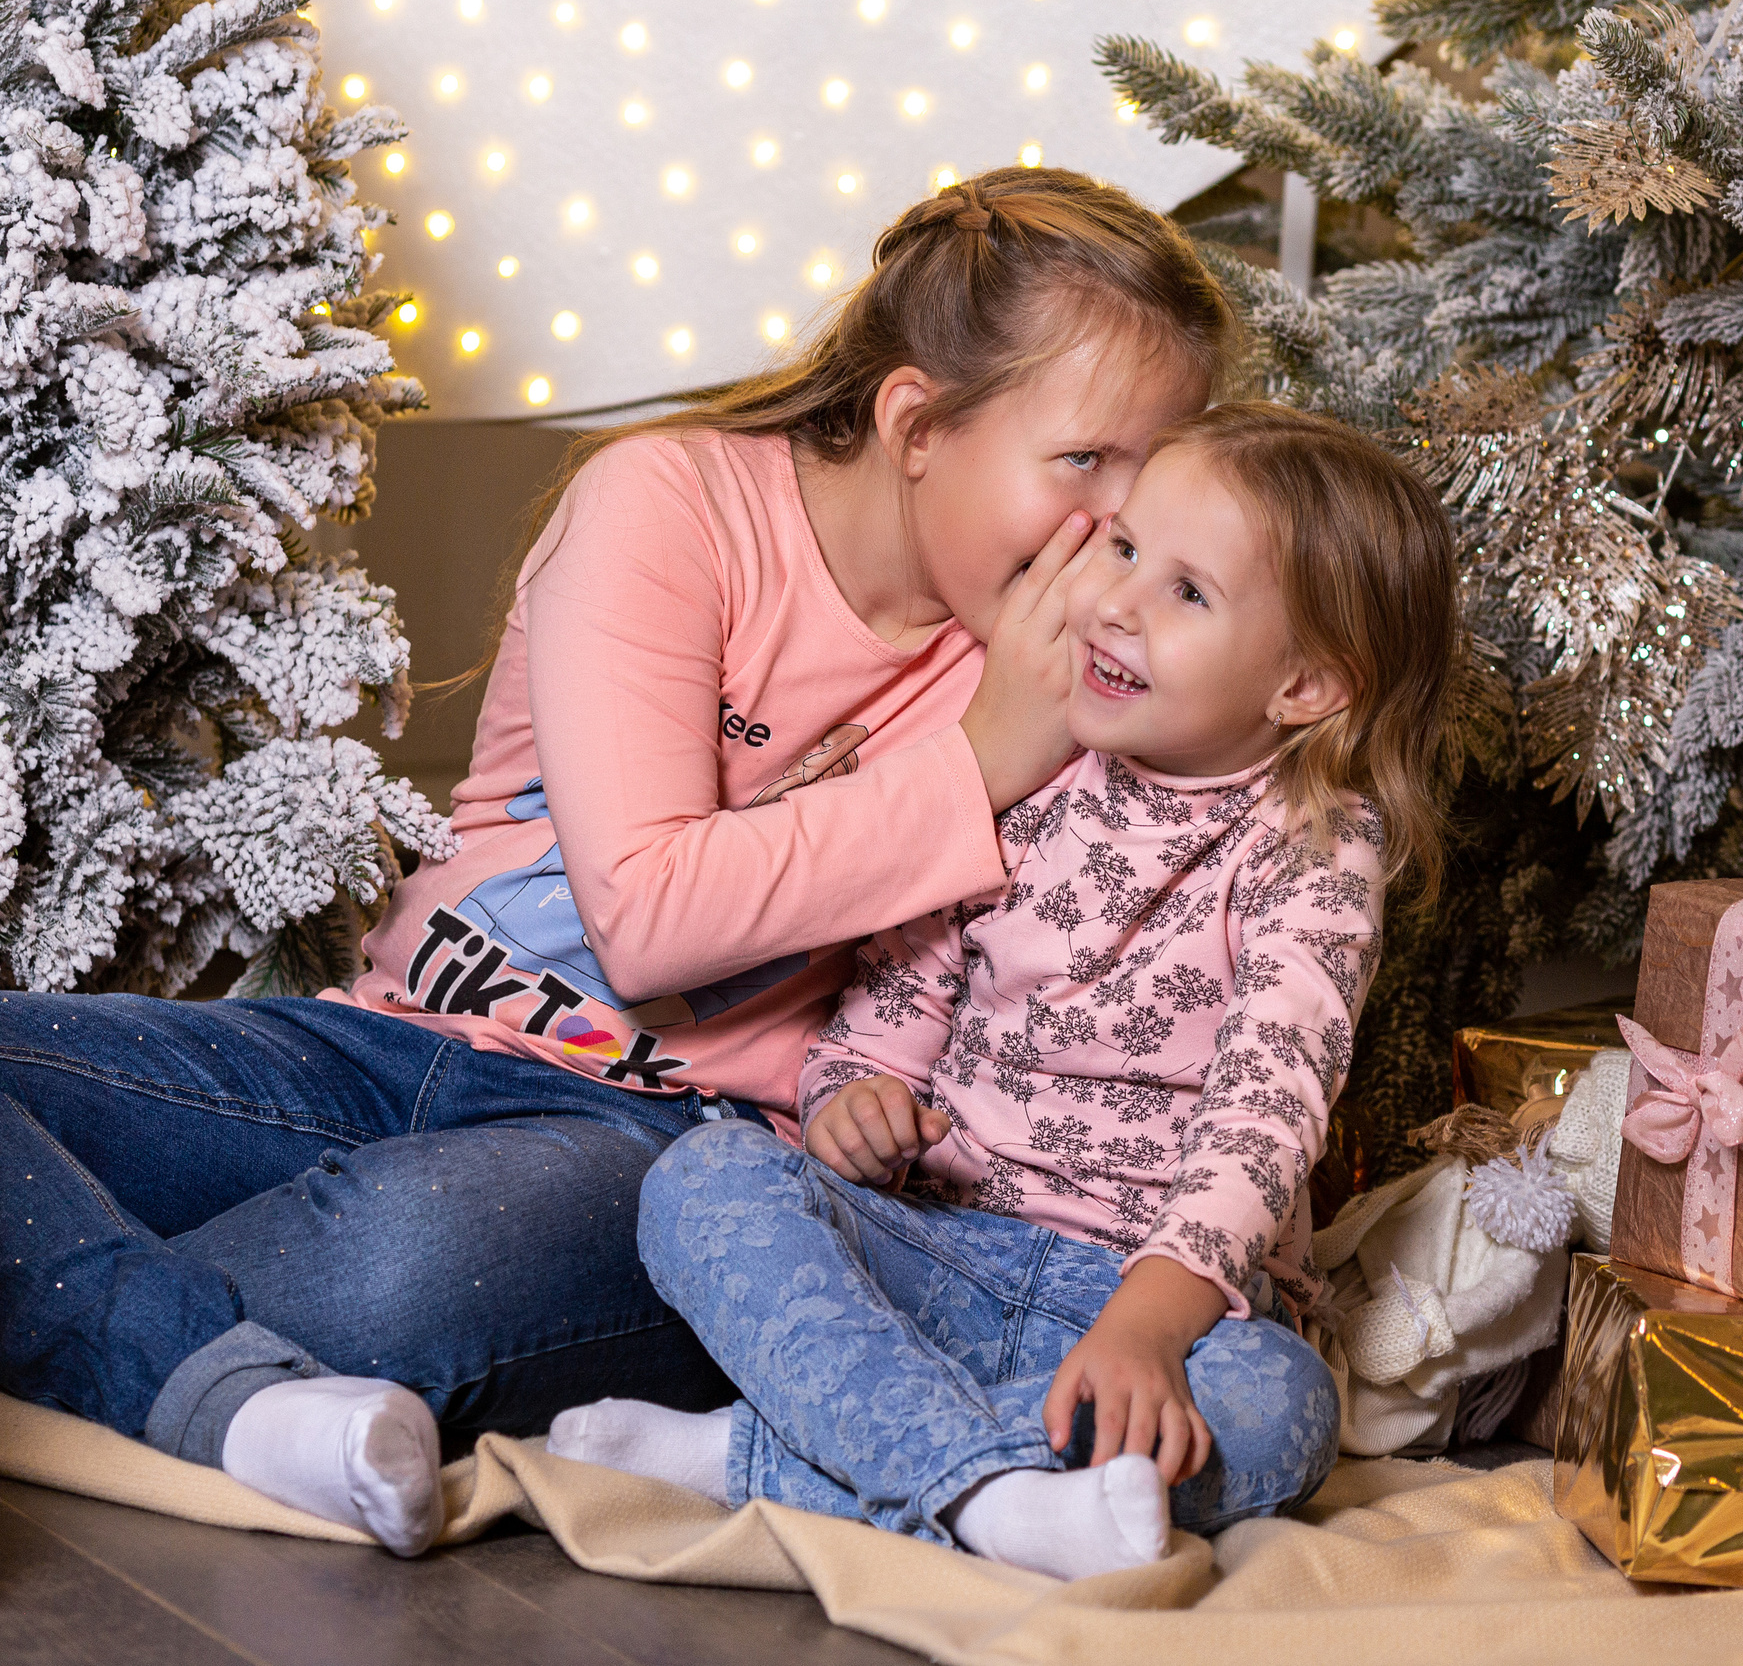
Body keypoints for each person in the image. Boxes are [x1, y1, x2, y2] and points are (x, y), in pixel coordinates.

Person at [0, 168, 1229, 1555]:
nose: (1116, 534)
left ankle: (9, 1311)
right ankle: (207, 1389)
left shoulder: (1089, 667)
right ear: (917, 421)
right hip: (380, 1051)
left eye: (1156, 472)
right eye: (1086, 464)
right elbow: (645, 919)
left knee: (399, 1271)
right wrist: (977, 761)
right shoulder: (675, 501)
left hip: (676, 1151)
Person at [551, 403, 1458, 1580]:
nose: (1117, 600)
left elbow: (1265, 1114)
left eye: (1188, 592)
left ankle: (758, 1462)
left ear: (1305, 686)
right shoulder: (1033, 761)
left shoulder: (1310, 847)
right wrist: (853, 1096)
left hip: (1152, 1305)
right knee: (706, 1177)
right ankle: (990, 1489)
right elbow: (900, 991)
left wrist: (1145, 1328)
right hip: (944, 1243)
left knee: (1279, 1408)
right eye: (1124, 548)